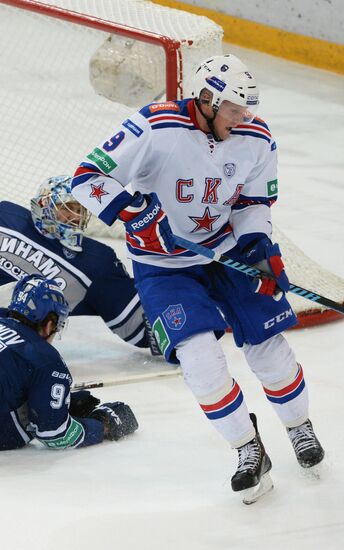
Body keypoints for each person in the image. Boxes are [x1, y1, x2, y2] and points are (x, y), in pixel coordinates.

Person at [71, 54, 324, 502]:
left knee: (269, 348)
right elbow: (86, 178)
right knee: (199, 360)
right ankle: (249, 449)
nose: (242, 116)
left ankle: (299, 428)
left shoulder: (256, 137)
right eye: (233, 108)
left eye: (245, 108)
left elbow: (252, 204)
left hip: (225, 253)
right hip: (162, 265)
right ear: (205, 99)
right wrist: (136, 213)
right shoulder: (155, 126)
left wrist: (260, 248)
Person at [0, 175, 160, 355]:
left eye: (80, 209)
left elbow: (141, 329)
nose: (75, 216)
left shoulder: (97, 261)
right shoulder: (5, 216)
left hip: (17, 348)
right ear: (44, 206)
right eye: (66, 208)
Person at [0, 274, 138, 450]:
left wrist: (59, 401)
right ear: (50, 324)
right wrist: (102, 425)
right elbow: (55, 434)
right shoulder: (46, 360)